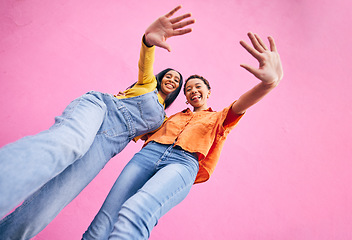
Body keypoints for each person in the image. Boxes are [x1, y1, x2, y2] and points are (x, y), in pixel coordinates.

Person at [0, 4, 194, 228]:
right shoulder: (148, 84)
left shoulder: (162, 121)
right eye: (169, 76)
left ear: (178, 91)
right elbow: (146, 61)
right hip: (101, 109)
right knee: (68, 144)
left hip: (107, 145)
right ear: (161, 78)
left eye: (177, 81)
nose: (172, 80)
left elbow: (169, 138)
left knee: (52, 203)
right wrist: (148, 41)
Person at [81, 32, 284, 240]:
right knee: (106, 216)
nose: (193, 91)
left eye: (198, 87)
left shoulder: (219, 118)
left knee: (137, 209)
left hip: (182, 163)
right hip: (147, 156)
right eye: (188, 89)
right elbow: (137, 124)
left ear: (208, 92)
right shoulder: (169, 118)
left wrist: (267, 84)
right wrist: (125, 100)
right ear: (185, 97)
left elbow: (241, 104)